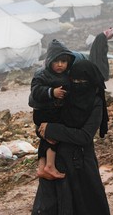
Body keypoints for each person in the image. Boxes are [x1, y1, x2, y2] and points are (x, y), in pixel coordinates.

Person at [32, 60, 110, 215]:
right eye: (74, 80)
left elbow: (85, 136)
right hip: (58, 162)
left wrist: (53, 130)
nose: (78, 84)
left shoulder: (96, 102)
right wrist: (44, 131)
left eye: (82, 81)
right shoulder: (64, 95)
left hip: (82, 163)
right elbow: (43, 123)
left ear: (91, 81)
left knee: (87, 206)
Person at [29, 39, 75, 180]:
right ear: (49, 61)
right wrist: (51, 92)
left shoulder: (66, 75)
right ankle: (50, 166)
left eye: (63, 61)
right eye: (56, 61)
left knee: (46, 139)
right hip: (45, 113)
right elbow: (36, 91)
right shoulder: (42, 74)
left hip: (52, 111)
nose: (60, 65)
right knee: (52, 137)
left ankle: (42, 167)